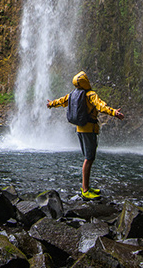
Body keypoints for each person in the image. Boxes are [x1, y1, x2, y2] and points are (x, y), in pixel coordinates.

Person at [47, 71, 125, 199]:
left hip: (79, 129)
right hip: (89, 129)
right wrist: (114, 112)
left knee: (88, 158)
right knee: (89, 159)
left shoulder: (73, 94)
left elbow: (62, 101)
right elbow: (100, 106)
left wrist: (51, 104)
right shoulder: (90, 95)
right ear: (86, 82)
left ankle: (87, 186)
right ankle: (85, 190)